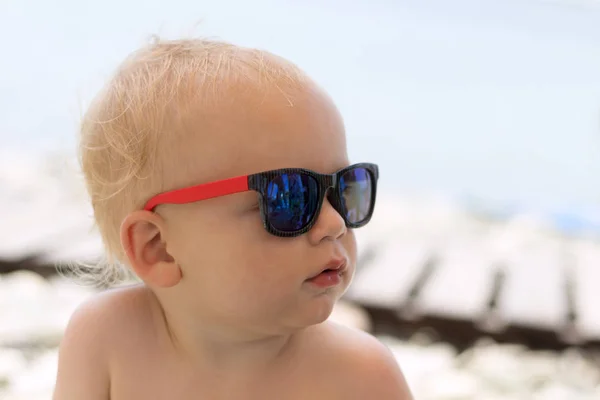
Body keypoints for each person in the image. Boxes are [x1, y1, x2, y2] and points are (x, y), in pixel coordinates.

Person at [53, 37, 413, 399]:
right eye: (289, 198)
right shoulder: (109, 340)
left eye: (345, 189)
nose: (335, 223)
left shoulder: (362, 378)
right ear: (159, 247)